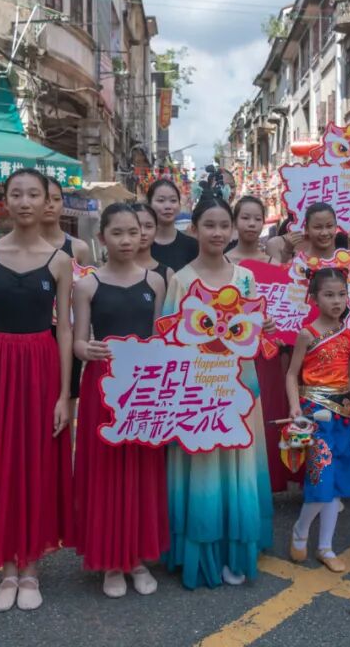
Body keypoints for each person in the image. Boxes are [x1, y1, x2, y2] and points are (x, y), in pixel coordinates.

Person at [0, 168, 74, 612]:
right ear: (4, 201)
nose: (25, 202)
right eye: (17, 194)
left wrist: (64, 396)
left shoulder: (59, 260)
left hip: (42, 367)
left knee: (37, 464)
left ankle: (30, 569)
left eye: (34, 194)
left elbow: (65, 330)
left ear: (47, 201)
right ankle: (7, 569)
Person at [163, 194, 273, 589]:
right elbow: (168, 340)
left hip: (239, 388)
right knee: (205, 470)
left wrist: (263, 328)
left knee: (238, 467)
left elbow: (253, 333)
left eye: (224, 225)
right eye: (209, 225)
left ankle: (235, 552)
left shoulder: (245, 278)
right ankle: (203, 554)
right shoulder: (180, 280)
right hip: (197, 394)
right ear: (194, 229)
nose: (217, 232)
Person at [71, 203, 168, 598]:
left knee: (143, 471)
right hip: (103, 385)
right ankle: (111, 561)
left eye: (134, 232)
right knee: (106, 472)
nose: (127, 240)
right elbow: (77, 341)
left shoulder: (155, 282)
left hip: (145, 386)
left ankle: (138, 558)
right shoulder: (87, 285)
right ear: (102, 238)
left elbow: (161, 337)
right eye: (117, 233)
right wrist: (86, 350)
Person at [285, 267, 350, 573]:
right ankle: (300, 531)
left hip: (342, 417)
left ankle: (325, 547)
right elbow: (292, 374)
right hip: (315, 416)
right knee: (321, 479)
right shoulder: (307, 334)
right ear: (314, 298)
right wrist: (295, 406)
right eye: (329, 295)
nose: (337, 301)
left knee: (338, 483)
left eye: (342, 294)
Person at [226, 196, 294, 491]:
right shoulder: (224, 262)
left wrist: (274, 325)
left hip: (267, 352)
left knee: (266, 410)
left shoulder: (275, 265)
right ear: (235, 221)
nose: (251, 224)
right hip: (232, 353)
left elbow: (287, 313)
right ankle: (238, 478)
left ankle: (267, 479)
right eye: (245, 218)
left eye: (257, 219)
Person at [42, 177, 92, 410]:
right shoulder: (19, 248)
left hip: (68, 333)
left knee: (67, 400)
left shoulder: (78, 248)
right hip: (32, 333)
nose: (50, 205)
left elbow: (87, 295)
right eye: (44, 199)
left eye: (55, 199)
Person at [147, 179, 198, 271]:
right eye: (161, 200)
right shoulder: (141, 245)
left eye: (173, 200)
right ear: (149, 204)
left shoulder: (193, 246)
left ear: (179, 205)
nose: (168, 206)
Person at [133, 203, 173, 285]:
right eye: (137, 226)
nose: (143, 232)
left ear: (156, 230)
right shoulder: (112, 271)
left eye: (148, 226)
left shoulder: (167, 274)